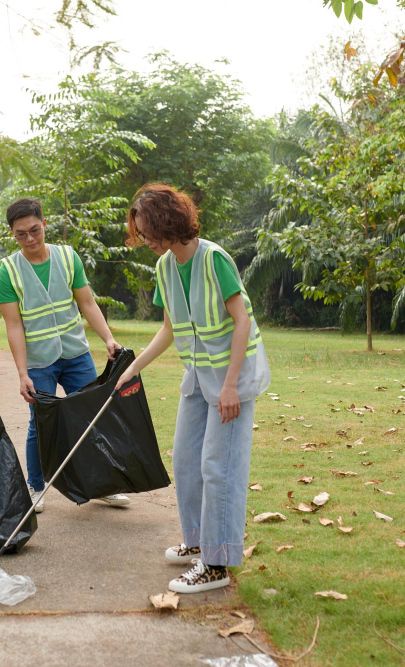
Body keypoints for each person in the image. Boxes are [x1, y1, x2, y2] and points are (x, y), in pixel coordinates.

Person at [115, 184, 270, 594]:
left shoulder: (214, 259)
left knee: (218, 467)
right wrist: (133, 368)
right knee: (185, 460)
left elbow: (241, 321)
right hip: (198, 378)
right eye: (141, 233)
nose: (145, 239)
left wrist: (231, 386)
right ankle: (198, 541)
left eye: (148, 231)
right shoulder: (165, 267)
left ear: (168, 221)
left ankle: (216, 565)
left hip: (232, 380)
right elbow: (169, 328)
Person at [0, 198, 129, 512]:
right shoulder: (8, 271)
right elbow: (13, 325)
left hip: (76, 354)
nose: (30, 239)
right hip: (38, 361)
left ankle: (102, 484)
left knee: (92, 418)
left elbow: (87, 303)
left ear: (44, 223)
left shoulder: (68, 257)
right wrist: (22, 373)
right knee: (40, 425)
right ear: (13, 234)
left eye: (34, 230)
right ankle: (35, 487)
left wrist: (108, 338)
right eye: (21, 234)